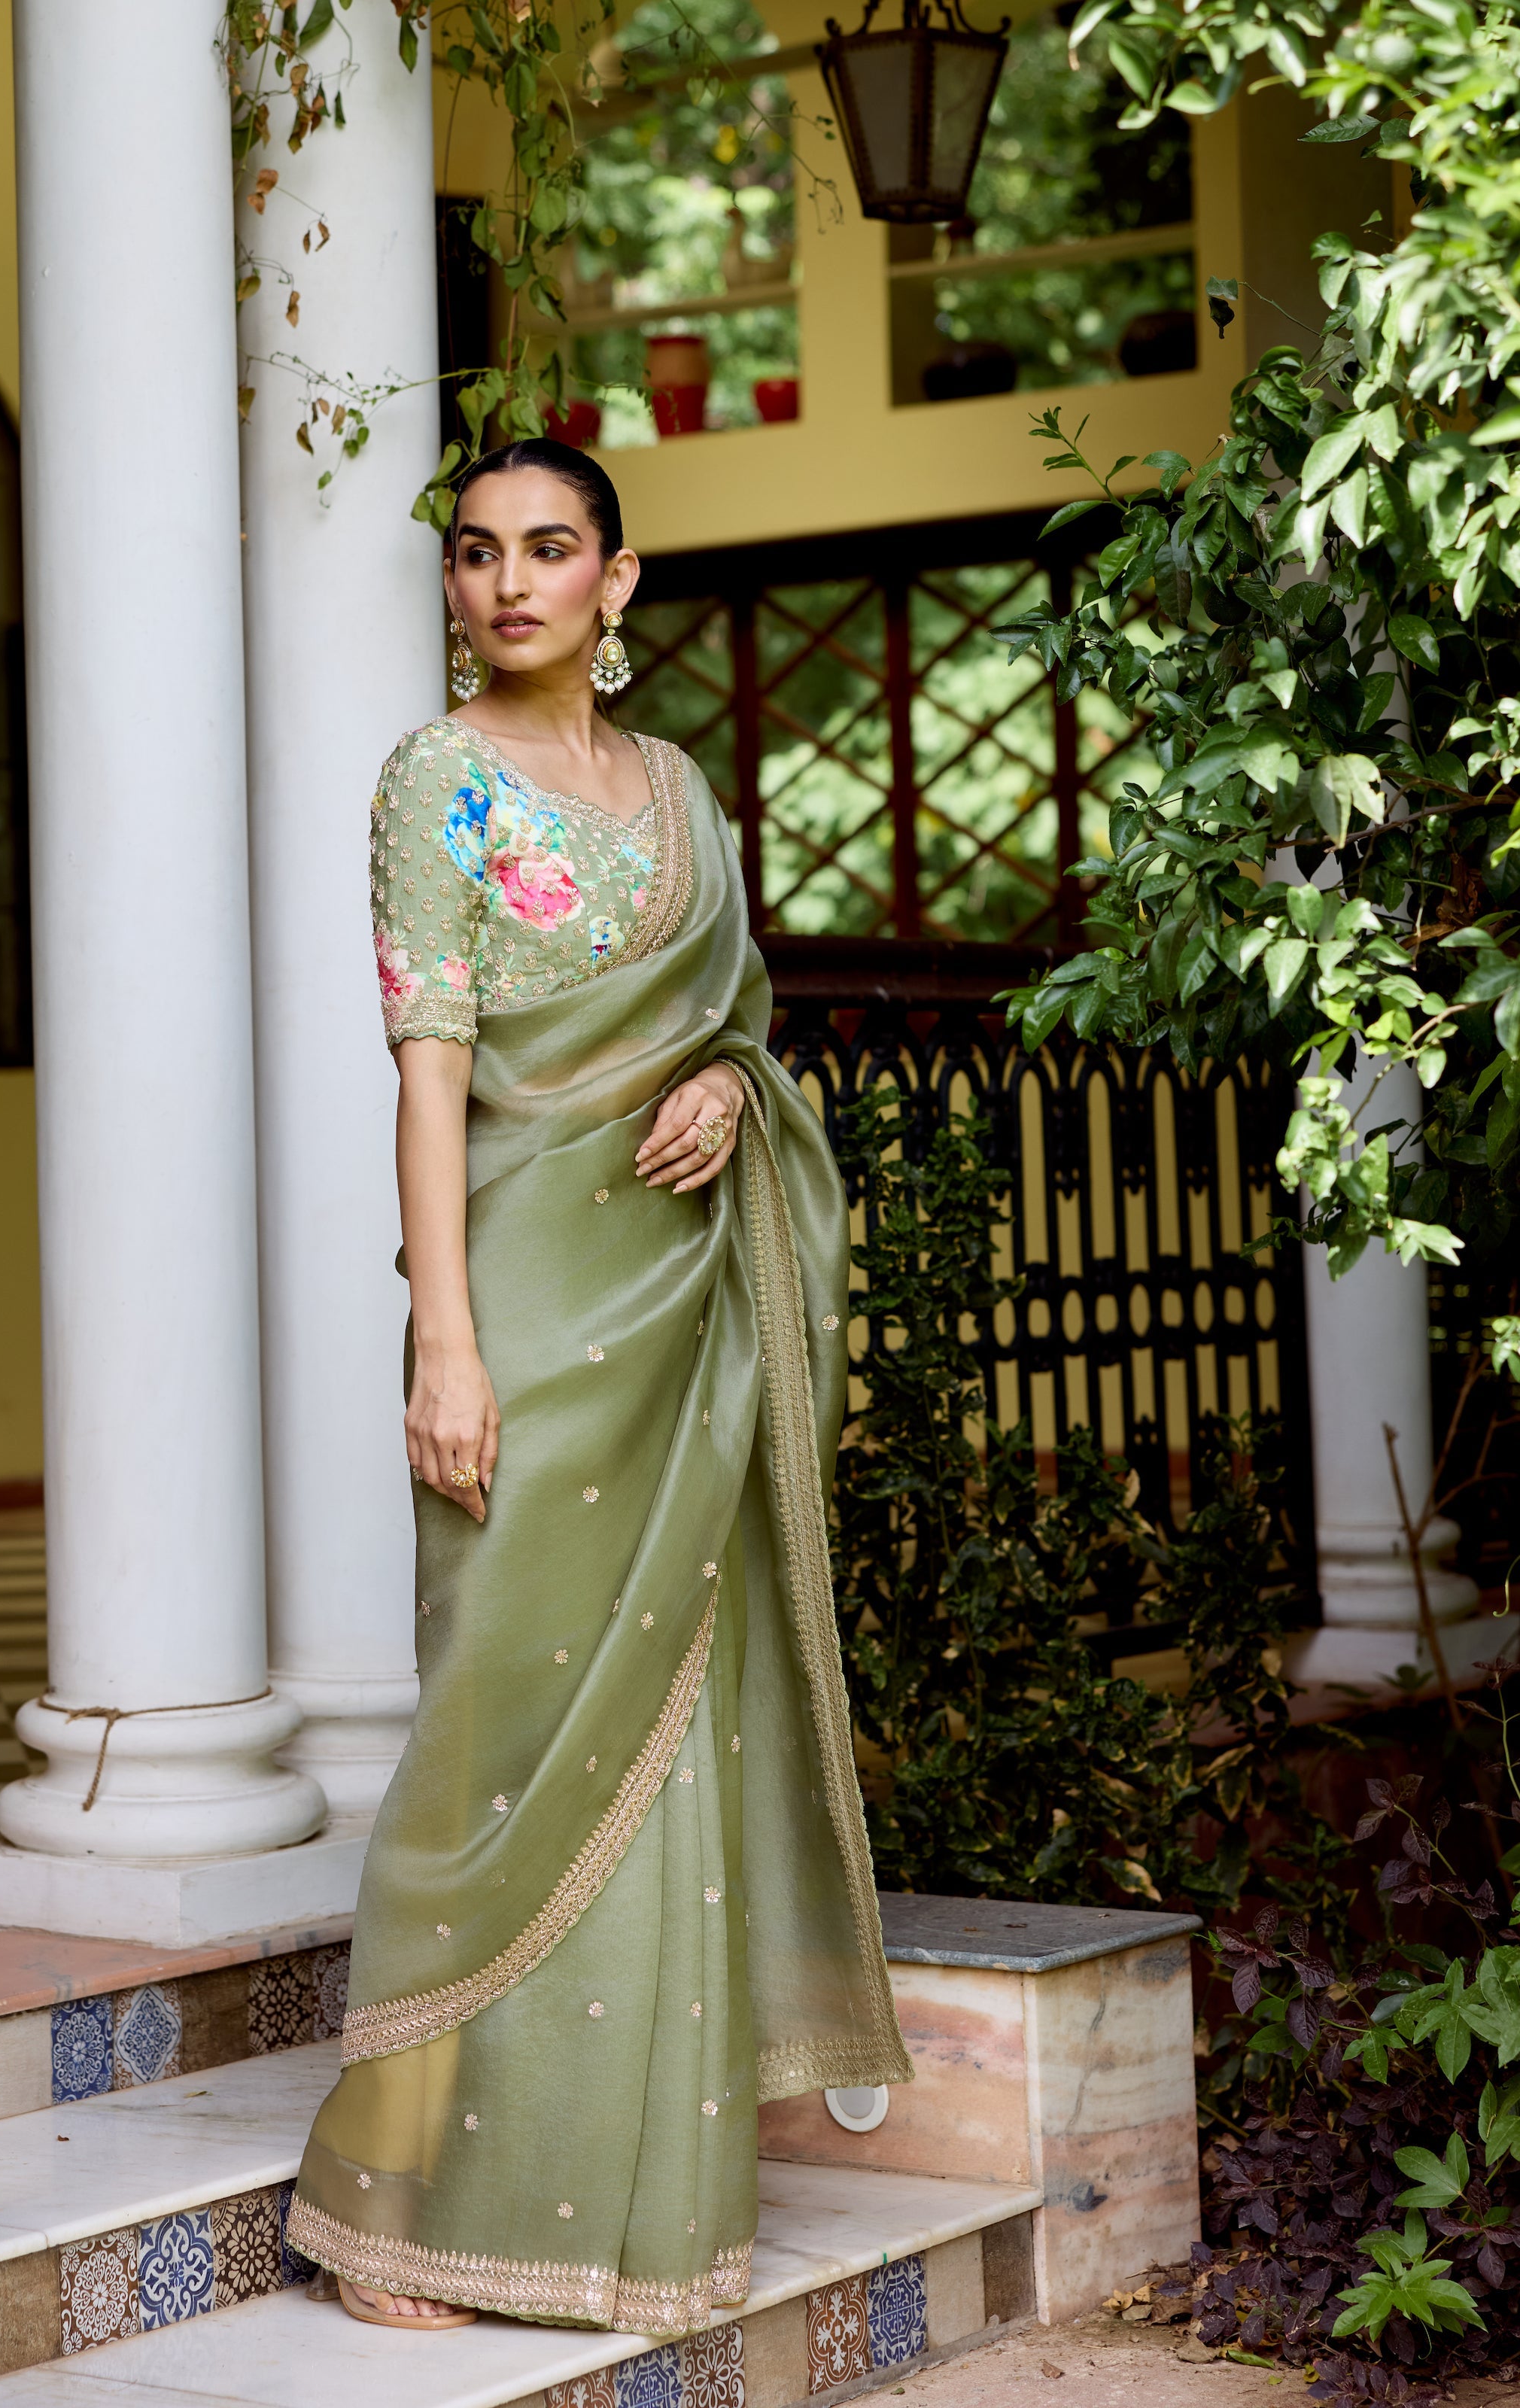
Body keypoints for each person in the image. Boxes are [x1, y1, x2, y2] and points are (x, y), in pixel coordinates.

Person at [286, 436, 910, 2337]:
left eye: (547, 547)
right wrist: (445, 1340)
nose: (506, 582)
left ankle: (626, 2205)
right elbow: (428, 1069)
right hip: (524, 1303)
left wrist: (723, 1081)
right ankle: (392, 2202)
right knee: (490, 1740)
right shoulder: (435, 780)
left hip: (677, 1307)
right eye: (476, 552)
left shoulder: (680, 792)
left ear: (615, 580)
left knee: (672, 1719)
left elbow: (734, 1021)